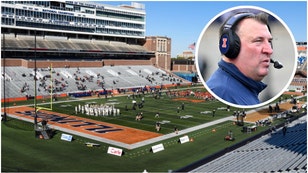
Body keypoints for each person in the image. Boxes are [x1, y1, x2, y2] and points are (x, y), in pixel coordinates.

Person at [206, 12, 273, 105]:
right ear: (231, 46)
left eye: (269, 41)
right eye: (258, 40)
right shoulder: (222, 92)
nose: (269, 50)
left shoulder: (240, 90)